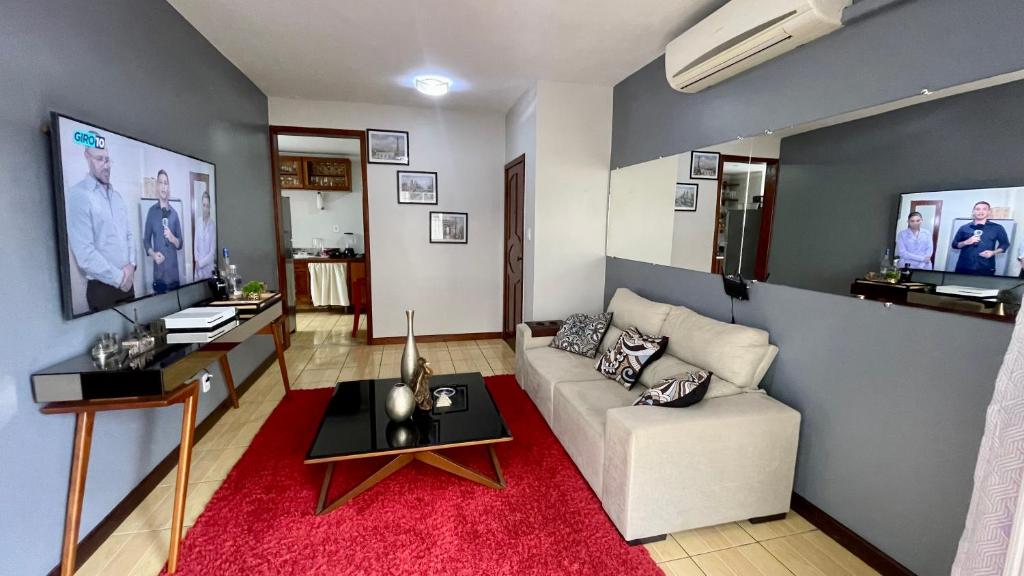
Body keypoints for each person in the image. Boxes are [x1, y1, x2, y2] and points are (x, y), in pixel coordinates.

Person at [66, 132, 137, 312]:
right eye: (100, 160)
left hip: (128, 286)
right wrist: (120, 278)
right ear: (87, 158)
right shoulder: (78, 196)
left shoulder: (117, 197)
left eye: (107, 160)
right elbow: (85, 254)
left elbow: (129, 235)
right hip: (102, 289)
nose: (106, 166)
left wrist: (131, 266)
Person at [142, 170, 183, 293]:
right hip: (159, 276)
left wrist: (172, 238)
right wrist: (153, 255)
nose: (163, 186)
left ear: (168, 187)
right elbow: (146, 241)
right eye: (160, 182)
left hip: (174, 276)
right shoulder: (151, 212)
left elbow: (180, 244)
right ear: (157, 187)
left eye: (166, 183)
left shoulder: (174, 214)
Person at [951, 201, 1010, 276]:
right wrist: (965, 242)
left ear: (989, 212)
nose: (980, 211)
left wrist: (993, 253)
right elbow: (954, 245)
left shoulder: (997, 228)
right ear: (973, 211)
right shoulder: (964, 228)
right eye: (977, 209)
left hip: (986, 267)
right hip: (964, 267)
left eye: (984, 209)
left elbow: (1005, 244)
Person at [193, 189, 216, 280]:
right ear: (201, 206)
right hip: (198, 270)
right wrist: (197, 260)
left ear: (210, 207)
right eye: (204, 205)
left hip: (208, 270)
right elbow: (195, 246)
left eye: (207, 206)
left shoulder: (213, 225)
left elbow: (212, 253)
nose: (205, 208)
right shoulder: (198, 222)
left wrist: (200, 263)